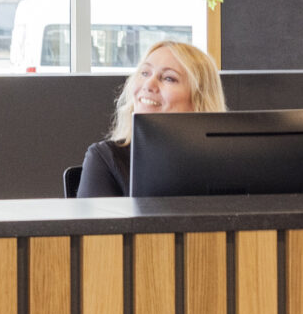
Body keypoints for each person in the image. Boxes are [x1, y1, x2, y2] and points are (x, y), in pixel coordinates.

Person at [75, 39, 226, 197]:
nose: (148, 84)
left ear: (199, 99)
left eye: (168, 78)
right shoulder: (106, 158)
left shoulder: (224, 163)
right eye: (145, 73)